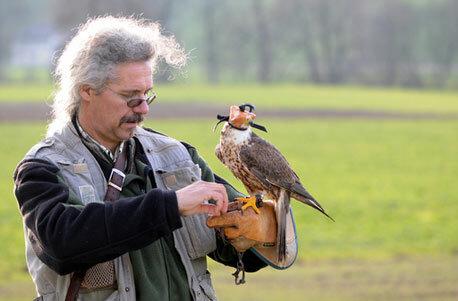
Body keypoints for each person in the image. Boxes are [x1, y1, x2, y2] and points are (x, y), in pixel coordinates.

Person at [13, 16, 296, 301]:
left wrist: (257, 234)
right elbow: (63, 243)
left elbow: (245, 247)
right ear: (87, 90)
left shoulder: (178, 158)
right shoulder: (43, 168)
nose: (144, 108)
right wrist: (171, 206)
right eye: (131, 96)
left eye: (147, 95)